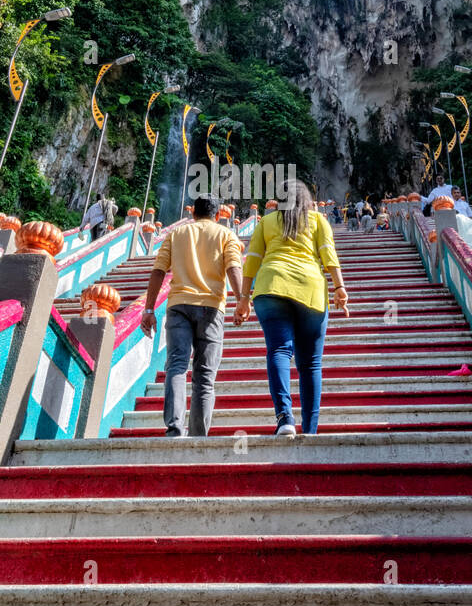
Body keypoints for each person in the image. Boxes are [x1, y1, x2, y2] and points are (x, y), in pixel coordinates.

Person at [235, 181, 348, 436]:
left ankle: (285, 418)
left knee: (278, 350)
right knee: (310, 364)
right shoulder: (318, 220)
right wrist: (340, 287)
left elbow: (251, 259)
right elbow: (329, 254)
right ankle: (310, 430)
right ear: (307, 200)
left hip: (271, 286)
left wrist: (243, 298)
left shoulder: (267, 221)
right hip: (310, 289)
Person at [140, 196, 243, 437]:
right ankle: (198, 437)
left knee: (176, 366)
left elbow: (157, 271)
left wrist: (148, 309)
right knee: (205, 375)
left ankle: (175, 429)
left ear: (193, 213)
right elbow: (233, 268)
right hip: (211, 306)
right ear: (218, 216)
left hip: (178, 305)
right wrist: (241, 300)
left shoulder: (177, 234)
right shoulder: (225, 234)